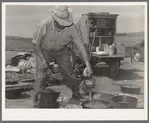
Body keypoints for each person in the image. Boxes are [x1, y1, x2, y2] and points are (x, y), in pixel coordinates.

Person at [32, 5, 93, 104]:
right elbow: (36, 44)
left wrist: (88, 64)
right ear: (54, 19)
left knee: (69, 73)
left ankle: (76, 92)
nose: (63, 25)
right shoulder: (44, 24)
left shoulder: (72, 28)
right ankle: (37, 100)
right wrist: (43, 60)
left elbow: (81, 46)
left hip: (62, 51)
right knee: (41, 74)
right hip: (44, 50)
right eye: (60, 23)